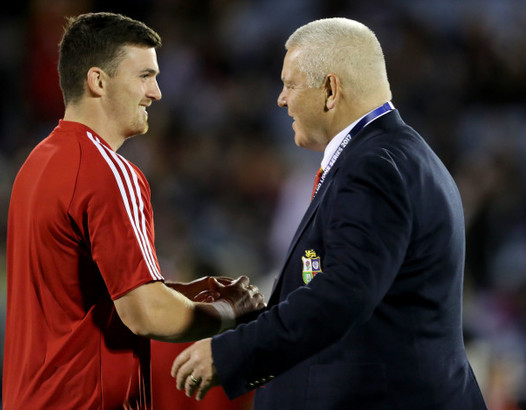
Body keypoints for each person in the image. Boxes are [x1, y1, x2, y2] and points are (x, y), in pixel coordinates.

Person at [171, 17, 488, 409]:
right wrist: (258, 313)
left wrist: (231, 352)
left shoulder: (374, 166)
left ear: (330, 90)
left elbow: (344, 293)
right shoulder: (394, 155)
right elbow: (348, 289)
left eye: (289, 84)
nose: (281, 99)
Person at [2, 12, 264, 409]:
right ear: (98, 81)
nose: (156, 92)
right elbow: (145, 315)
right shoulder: (108, 172)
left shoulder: (35, 165)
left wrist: (183, 295)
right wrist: (228, 313)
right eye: (144, 76)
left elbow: (78, 301)